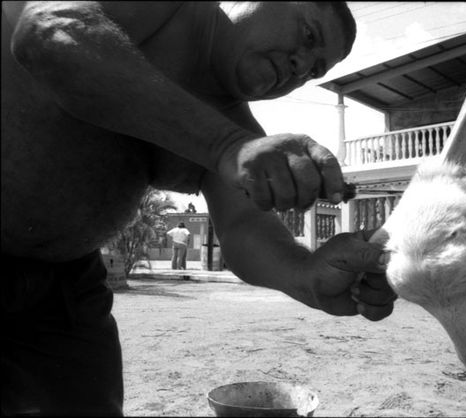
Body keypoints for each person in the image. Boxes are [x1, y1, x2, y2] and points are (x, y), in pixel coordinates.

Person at [1, 2, 397, 415]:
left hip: (67, 288)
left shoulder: (234, 128)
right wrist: (225, 147)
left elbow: (246, 225)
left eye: (314, 71)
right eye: (308, 36)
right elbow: (49, 33)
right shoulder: (170, 10)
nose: (300, 67)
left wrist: (307, 275)